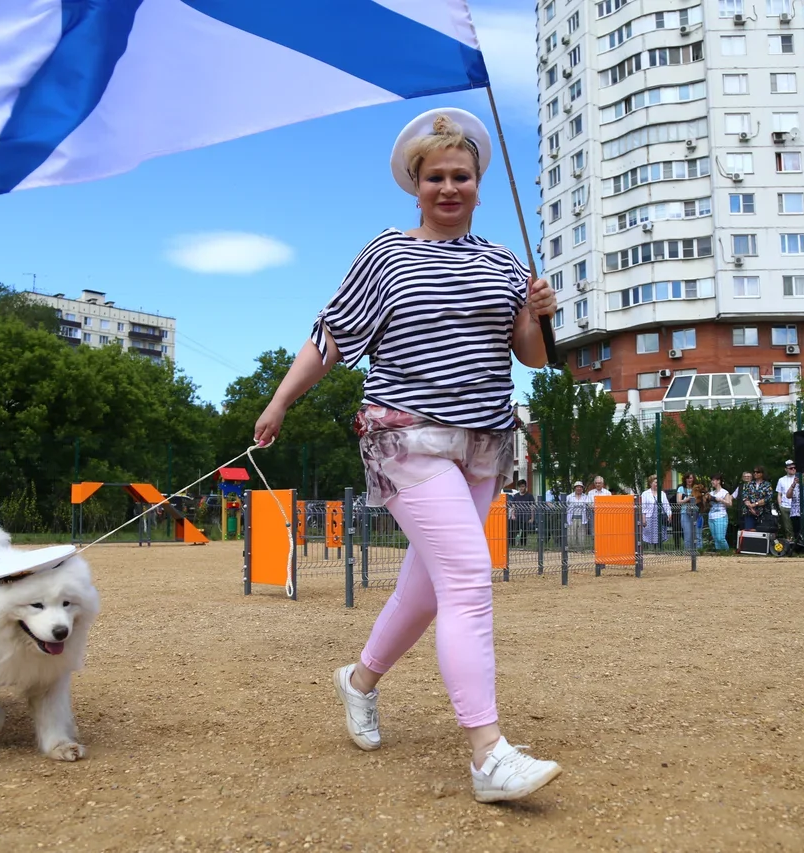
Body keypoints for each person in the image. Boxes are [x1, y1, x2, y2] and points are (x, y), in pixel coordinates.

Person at [252, 108, 561, 802]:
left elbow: (533, 359)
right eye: (435, 177)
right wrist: (280, 402)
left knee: (427, 586)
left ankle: (358, 679)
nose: (449, 187)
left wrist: (537, 310)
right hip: (405, 434)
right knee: (468, 579)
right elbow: (330, 337)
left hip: (483, 442)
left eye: (461, 176)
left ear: (479, 183)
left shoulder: (506, 263)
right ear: (414, 185)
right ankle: (488, 755)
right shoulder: (388, 254)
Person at [639, 474, 672, 546]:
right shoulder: (645, 494)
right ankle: (650, 550)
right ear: (651, 483)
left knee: (660, 534)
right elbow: (643, 507)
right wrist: (643, 519)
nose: (658, 484)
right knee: (648, 535)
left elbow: (667, 506)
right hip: (649, 518)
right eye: (656, 482)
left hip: (660, 518)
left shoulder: (662, 493)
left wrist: (669, 514)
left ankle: (659, 549)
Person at [739, 465, 774, 532]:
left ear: (762, 473)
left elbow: (768, 498)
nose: (755, 473)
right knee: (749, 532)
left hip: (763, 513)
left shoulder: (767, 485)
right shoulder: (749, 484)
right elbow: (745, 497)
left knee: (761, 532)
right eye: (754, 472)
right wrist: (751, 508)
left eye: (757, 472)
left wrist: (755, 504)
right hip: (749, 512)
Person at [675, 473, 705, 551]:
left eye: (691, 478)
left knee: (698, 534)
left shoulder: (698, 487)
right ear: (685, 479)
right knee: (687, 535)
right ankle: (688, 552)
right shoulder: (681, 488)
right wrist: (688, 499)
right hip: (685, 513)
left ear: (693, 479)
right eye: (687, 478)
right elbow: (678, 502)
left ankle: (699, 552)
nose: (689, 480)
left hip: (697, 513)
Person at [706, 473, 732, 551]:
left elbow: (730, 504)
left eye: (714, 480)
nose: (712, 482)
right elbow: (708, 506)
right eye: (712, 480)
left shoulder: (725, 492)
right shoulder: (711, 493)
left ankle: (727, 553)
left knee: (720, 538)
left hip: (721, 516)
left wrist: (720, 500)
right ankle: (720, 556)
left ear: (719, 481)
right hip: (711, 517)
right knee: (716, 539)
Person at [774, 460, 798, 540]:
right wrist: (780, 504)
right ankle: (790, 541)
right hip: (785, 506)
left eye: (794, 468)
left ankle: (799, 543)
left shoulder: (799, 478)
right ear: (786, 469)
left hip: (796, 506)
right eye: (791, 468)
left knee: (797, 525)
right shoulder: (781, 480)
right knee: (787, 526)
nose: (793, 469)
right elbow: (779, 494)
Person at [509, 479, 534, 547]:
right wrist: (513, 515)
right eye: (520, 487)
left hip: (526, 517)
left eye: (522, 486)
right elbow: (513, 506)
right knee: (513, 531)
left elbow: (532, 507)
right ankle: (513, 544)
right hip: (517, 516)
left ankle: (523, 545)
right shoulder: (516, 496)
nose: (521, 488)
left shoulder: (529, 496)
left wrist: (532, 518)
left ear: (525, 487)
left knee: (524, 532)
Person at [566, 481, 590, 548]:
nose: (579, 488)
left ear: (582, 488)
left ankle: (580, 549)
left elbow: (590, 505)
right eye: (577, 487)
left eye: (580, 487)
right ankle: (572, 548)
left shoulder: (586, 497)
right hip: (572, 518)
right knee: (571, 534)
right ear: (574, 488)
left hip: (582, 518)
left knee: (581, 535)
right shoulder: (569, 497)